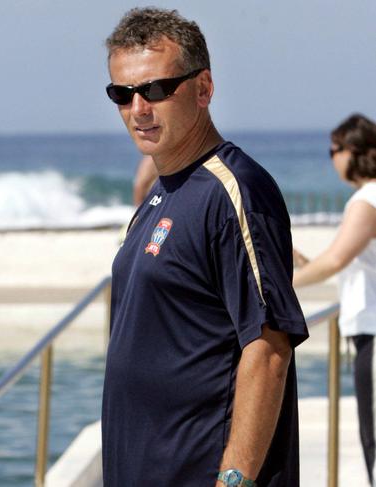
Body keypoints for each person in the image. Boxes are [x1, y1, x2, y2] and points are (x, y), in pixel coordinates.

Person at [101, 8, 308, 486]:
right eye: (122, 93)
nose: (139, 108)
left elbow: (269, 345)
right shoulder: (160, 192)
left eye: (156, 89)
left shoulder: (236, 189)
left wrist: (233, 481)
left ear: (203, 88)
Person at [293, 113, 376, 485]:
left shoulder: (366, 201)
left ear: (354, 152)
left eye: (335, 150)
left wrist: (280, 283)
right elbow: (348, 264)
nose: (332, 159)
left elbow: (335, 260)